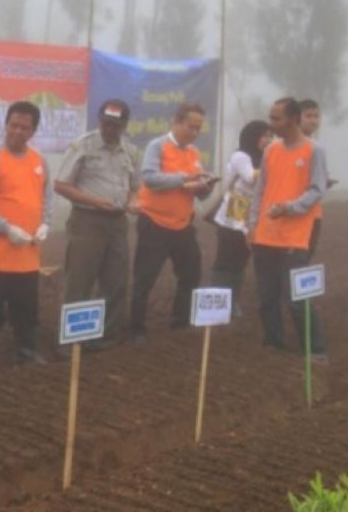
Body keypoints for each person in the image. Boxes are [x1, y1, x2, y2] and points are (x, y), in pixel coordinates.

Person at [0, 101, 52, 374]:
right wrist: (6, 229)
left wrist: (44, 224)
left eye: (24, 127)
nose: (17, 131)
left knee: (26, 311)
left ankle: (26, 353)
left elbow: (45, 198)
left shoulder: (39, 161)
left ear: (33, 131)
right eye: (13, 125)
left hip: (27, 256)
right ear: (5, 125)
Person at [54, 99, 140, 350]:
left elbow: (136, 188)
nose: (109, 129)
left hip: (117, 223)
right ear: (99, 121)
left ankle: (105, 339)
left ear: (124, 125)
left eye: (115, 125)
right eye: (105, 123)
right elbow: (61, 185)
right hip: (87, 220)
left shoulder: (131, 151)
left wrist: (134, 202)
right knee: (79, 282)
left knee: (116, 282)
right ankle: (69, 343)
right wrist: (95, 201)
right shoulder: (83, 146)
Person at [128, 103, 216, 344]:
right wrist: (184, 179)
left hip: (182, 224)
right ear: (177, 122)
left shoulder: (194, 153)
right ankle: (136, 329)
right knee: (145, 278)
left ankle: (181, 322)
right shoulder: (158, 146)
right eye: (191, 127)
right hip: (154, 223)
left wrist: (205, 187)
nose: (195, 132)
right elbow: (150, 178)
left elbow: (197, 193)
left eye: (199, 128)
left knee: (191, 274)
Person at [248, 97, 328, 360]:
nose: (271, 124)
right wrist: (252, 225)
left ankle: (315, 350)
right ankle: (273, 343)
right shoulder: (270, 149)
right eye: (270, 118)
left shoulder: (313, 151)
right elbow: (260, 191)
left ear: (293, 120)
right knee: (267, 297)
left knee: (297, 299)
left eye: (276, 119)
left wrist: (289, 208)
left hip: (294, 236)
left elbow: (317, 189)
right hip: (265, 236)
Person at [209, 120, 271, 316]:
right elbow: (251, 176)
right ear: (253, 137)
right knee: (226, 261)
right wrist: (276, 168)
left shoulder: (266, 158)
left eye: (270, 135)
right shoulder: (240, 156)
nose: (268, 140)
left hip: (251, 216)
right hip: (232, 216)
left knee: (240, 261)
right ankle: (218, 303)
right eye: (264, 135)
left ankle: (232, 301)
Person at [298, 99, 335, 258]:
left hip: (312, 214)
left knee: (304, 259)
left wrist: (323, 182)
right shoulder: (283, 145)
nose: (313, 120)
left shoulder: (316, 147)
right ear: (296, 118)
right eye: (308, 116)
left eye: (316, 116)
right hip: (290, 213)